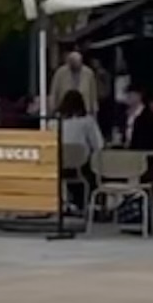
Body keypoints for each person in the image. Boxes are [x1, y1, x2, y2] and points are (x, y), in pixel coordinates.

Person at [53, 84, 105, 235]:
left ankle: (71, 202)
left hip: (59, 166)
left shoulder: (55, 121)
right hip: (81, 166)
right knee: (94, 166)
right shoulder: (87, 122)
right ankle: (93, 206)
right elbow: (98, 145)